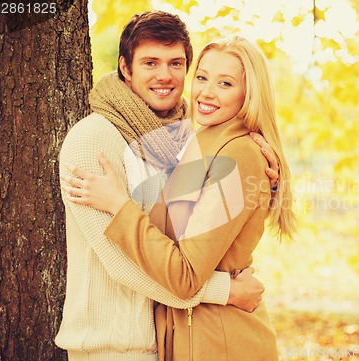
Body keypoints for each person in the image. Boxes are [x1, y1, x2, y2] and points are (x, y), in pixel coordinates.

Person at [55, 11, 280, 361]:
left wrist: (264, 180)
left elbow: (199, 231)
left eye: (176, 63)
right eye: (149, 62)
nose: (165, 75)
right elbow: (120, 261)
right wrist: (227, 291)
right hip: (111, 346)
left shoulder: (190, 139)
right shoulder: (92, 140)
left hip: (170, 341)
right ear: (125, 68)